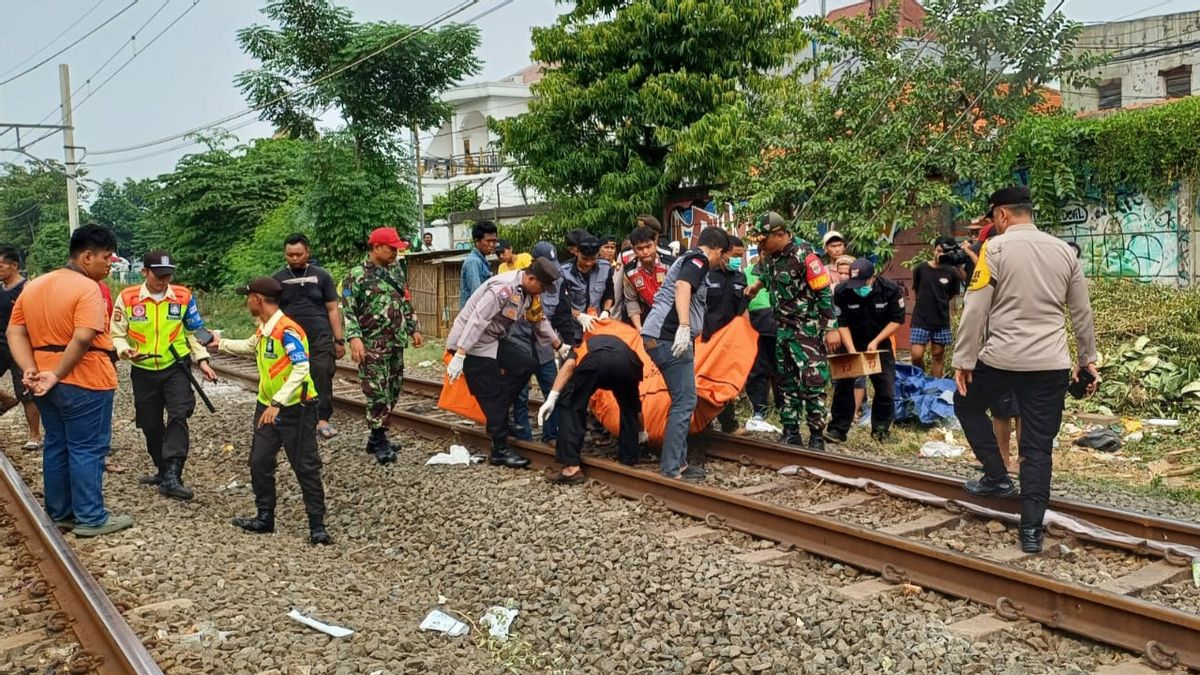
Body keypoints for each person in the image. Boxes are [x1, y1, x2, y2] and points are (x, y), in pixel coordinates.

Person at [953, 186, 1099, 553]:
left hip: (1001, 359)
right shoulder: (1065, 251)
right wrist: (1088, 360)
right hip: (1050, 364)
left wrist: (964, 360)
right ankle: (1031, 532)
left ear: (1002, 215)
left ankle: (997, 476)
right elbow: (1081, 313)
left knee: (966, 404)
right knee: (1037, 447)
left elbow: (975, 309)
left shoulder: (994, 249)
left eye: (992, 218)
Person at [6, 224, 132, 537]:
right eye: (106, 257)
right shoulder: (87, 288)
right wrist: (59, 373)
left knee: (57, 445)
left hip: (43, 381)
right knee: (87, 448)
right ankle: (91, 517)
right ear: (87, 256)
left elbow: (15, 330)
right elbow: (84, 335)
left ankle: (60, 513)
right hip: (86, 379)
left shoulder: (34, 285)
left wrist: (30, 368)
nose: (109, 263)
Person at [212, 277, 330, 545]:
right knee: (259, 462)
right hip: (268, 406)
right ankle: (265, 517)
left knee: (305, 466)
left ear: (258, 299)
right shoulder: (266, 328)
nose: (246, 301)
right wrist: (217, 342)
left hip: (295, 408)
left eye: (248, 297)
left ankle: (317, 525)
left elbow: (301, 368)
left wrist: (276, 403)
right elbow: (250, 347)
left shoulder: (287, 330)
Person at [110, 251, 217, 500]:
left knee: (179, 415)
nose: (164, 280)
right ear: (145, 272)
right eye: (158, 275)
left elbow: (194, 330)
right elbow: (116, 333)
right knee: (150, 423)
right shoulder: (127, 298)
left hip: (175, 366)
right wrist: (125, 351)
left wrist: (203, 359)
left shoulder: (182, 296)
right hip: (144, 369)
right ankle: (162, 468)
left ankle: (173, 474)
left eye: (168, 275)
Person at [446, 259, 569, 469]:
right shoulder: (503, 289)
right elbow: (478, 320)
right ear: (531, 278)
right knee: (495, 399)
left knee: (525, 365)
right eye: (541, 286)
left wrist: (559, 346)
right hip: (471, 343)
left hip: (493, 339)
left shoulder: (529, 293)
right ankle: (499, 450)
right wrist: (460, 354)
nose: (542, 292)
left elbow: (538, 320)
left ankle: (500, 403)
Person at [640, 227, 730, 481]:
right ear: (718, 250)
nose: (724, 263)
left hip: (662, 336)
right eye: (724, 257)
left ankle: (677, 463)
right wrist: (683, 326)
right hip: (668, 337)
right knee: (685, 400)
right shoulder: (699, 260)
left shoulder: (689, 259)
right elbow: (682, 287)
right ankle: (671, 468)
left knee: (682, 399)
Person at [746, 212, 840, 449]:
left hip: (805, 330)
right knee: (786, 382)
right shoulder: (770, 257)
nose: (761, 245)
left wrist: (831, 328)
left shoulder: (805, 256)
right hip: (782, 330)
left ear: (780, 235)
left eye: (764, 239)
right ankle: (791, 431)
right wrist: (757, 286)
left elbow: (824, 293)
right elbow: (770, 278)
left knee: (813, 382)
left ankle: (816, 435)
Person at [341, 227, 424, 464]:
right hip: (372, 344)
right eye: (392, 249)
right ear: (376, 247)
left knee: (393, 389)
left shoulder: (396, 272)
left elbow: (404, 301)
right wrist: (354, 338)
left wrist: (413, 328)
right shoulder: (355, 276)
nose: (395, 254)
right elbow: (349, 310)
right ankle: (379, 438)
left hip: (395, 341)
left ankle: (376, 436)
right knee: (377, 392)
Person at [540, 333, 644, 485]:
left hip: (597, 362)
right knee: (629, 406)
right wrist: (642, 431)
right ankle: (629, 458)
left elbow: (568, 366)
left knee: (571, 405)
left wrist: (552, 398)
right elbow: (636, 407)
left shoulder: (580, 348)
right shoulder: (618, 343)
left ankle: (571, 469)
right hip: (630, 364)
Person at [273, 234, 345, 440]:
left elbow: (332, 309)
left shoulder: (322, 276)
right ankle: (294, 415)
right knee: (290, 375)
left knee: (322, 374)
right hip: (289, 338)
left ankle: (322, 419)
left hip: (320, 336)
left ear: (308, 252)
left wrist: (339, 340)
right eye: (290, 255)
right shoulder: (277, 279)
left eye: (298, 254)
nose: (294, 258)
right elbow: (271, 310)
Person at [826, 259, 905, 443]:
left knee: (886, 388)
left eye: (863, 283)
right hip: (850, 340)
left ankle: (880, 431)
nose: (858, 287)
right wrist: (852, 350)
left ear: (873, 277)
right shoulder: (842, 291)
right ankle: (837, 430)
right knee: (844, 387)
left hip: (879, 343)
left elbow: (897, 320)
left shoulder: (890, 289)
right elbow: (842, 322)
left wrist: (876, 341)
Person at [508, 241, 565, 444]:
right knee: (520, 393)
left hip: (543, 345)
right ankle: (524, 438)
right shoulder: (516, 284)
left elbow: (551, 316)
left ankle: (552, 435)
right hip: (518, 342)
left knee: (553, 388)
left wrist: (560, 344)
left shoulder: (555, 281)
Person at [702, 237, 749, 433]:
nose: (738, 260)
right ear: (723, 253)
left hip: (729, 340)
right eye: (735, 256)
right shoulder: (705, 275)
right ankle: (704, 423)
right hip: (706, 338)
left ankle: (729, 424)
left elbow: (743, 310)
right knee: (704, 382)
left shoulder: (740, 278)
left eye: (741, 256)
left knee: (726, 381)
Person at [0, 246, 41, 451]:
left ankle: (35, 435)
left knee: (26, 391)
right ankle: (7, 400)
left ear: (14, 265)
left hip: (21, 345)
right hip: (0, 344)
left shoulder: (27, 288)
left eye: (1, 265)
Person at [910, 236, 966, 378]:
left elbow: (952, 294)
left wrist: (957, 264)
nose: (940, 254)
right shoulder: (920, 269)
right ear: (934, 250)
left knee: (937, 355)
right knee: (916, 355)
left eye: (944, 252)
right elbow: (917, 290)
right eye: (938, 250)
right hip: (920, 319)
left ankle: (935, 386)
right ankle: (919, 380)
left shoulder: (952, 272)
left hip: (941, 320)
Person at [742, 243, 781, 424]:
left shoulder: (782, 270)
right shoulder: (748, 272)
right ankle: (759, 408)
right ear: (760, 254)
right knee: (758, 368)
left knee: (781, 369)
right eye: (766, 253)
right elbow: (744, 302)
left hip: (780, 324)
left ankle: (783, 407)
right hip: (757, 325)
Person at [561, 237, 615, 341]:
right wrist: (579, 316)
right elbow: (560, 302)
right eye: (584, 259)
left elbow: (609, 293)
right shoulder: (564, 272)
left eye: (593, 259)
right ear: (577, 252)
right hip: (572, 330)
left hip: (597, 327)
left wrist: (606, 311)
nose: (588, 263)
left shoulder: (605, 268)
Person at [622, 226, 671, 331]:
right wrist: (639, 328)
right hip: (647, 316)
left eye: (648, 246)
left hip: (672, 314)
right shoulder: (630, 271)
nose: (645, 252)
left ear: (655, 242)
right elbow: (631, 300)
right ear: (633, 249)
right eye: (639, 248)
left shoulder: (670, 264)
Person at [460, 220, 498, 308]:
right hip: (473, 316)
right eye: (488, 241)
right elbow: (477, 294)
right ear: (477, 241)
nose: (492, 245)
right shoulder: (473, 262)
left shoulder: (482, 260)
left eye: (494, 241)